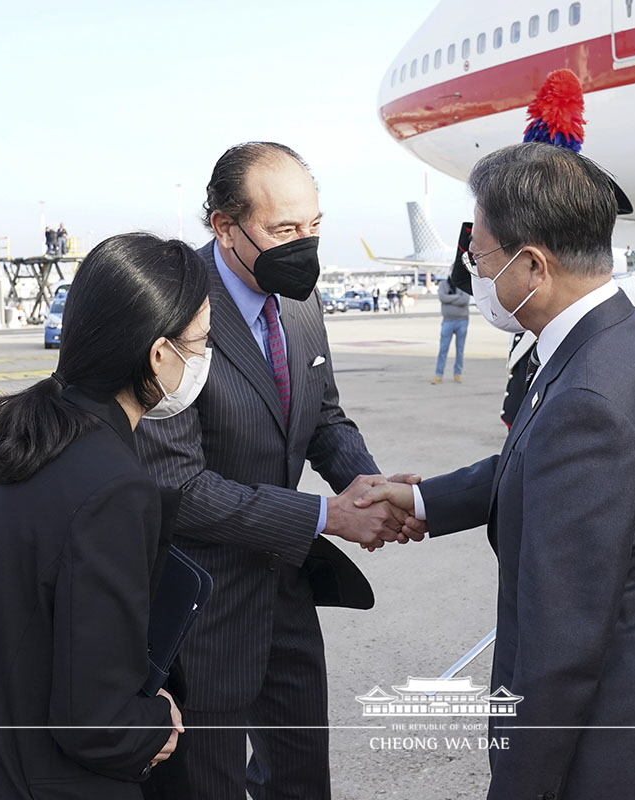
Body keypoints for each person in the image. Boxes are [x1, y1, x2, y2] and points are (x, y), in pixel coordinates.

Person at [360, 143, 635, 800]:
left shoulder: (588, 393)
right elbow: (542, 462)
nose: (476, 273)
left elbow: (560, 645)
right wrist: (423, 499)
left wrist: (518, 787)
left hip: (617, 750)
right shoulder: (625, 335)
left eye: (482, 258)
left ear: (534, 265)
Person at [0, 233, 206, 800]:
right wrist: (155, 724)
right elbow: (97, 723)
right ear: (158, 354)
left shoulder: (22, 425)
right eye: (200, 343)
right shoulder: (115, 488)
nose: (202, 360)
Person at [134, 142, 421, 800]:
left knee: (300, 778)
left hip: (285, 588)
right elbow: (177, 486)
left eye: (315, 226)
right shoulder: (173, 308)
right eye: (284, 230)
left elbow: (325, 418)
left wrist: (371, 484)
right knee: (202, 784)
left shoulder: (298, 298)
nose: (305, 246)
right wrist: (327, 515)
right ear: (224, 227)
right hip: (200, 603)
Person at [433, 273, 470, 383]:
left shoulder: (463, 284)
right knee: (443, 348)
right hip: (448, 320)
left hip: (462, 320)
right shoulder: (443, 284)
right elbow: (442, 297)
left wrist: (450, 299)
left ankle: (457, 373)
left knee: (460, 349)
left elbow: (465, 300)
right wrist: (457, 297)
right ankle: (438, 374)